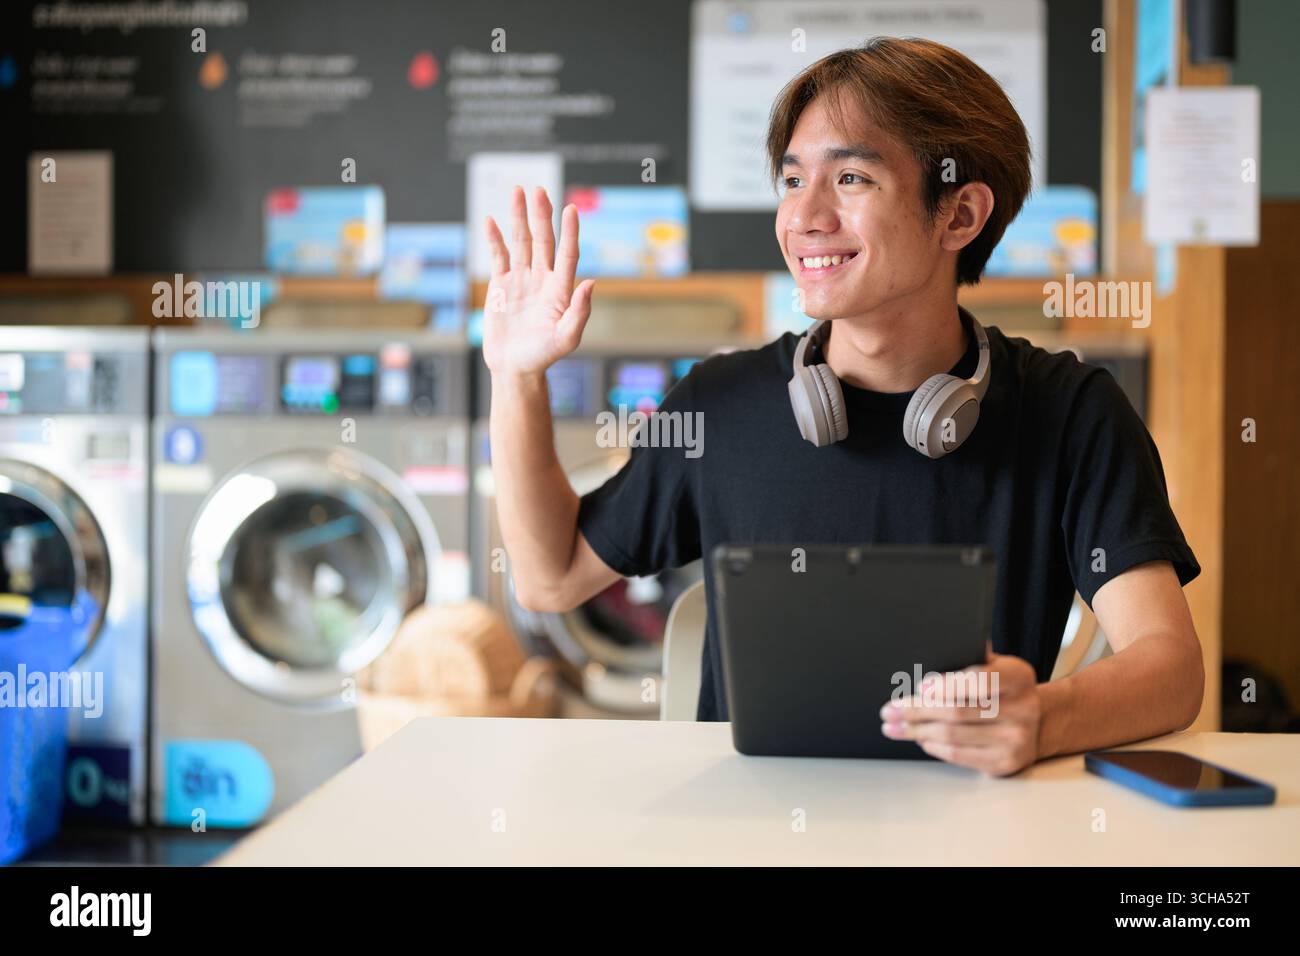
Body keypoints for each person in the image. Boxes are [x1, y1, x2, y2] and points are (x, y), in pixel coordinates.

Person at [481, 38, 1203, 776]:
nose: (804, 217)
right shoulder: (719, 404)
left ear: (959, 215)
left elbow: (1169, 667)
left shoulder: (1073, 413)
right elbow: (551, 576)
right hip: (752, 837)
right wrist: (516, 377)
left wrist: (1043, 718)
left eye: (851, 177)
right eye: (793, 181)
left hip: (977, 831)